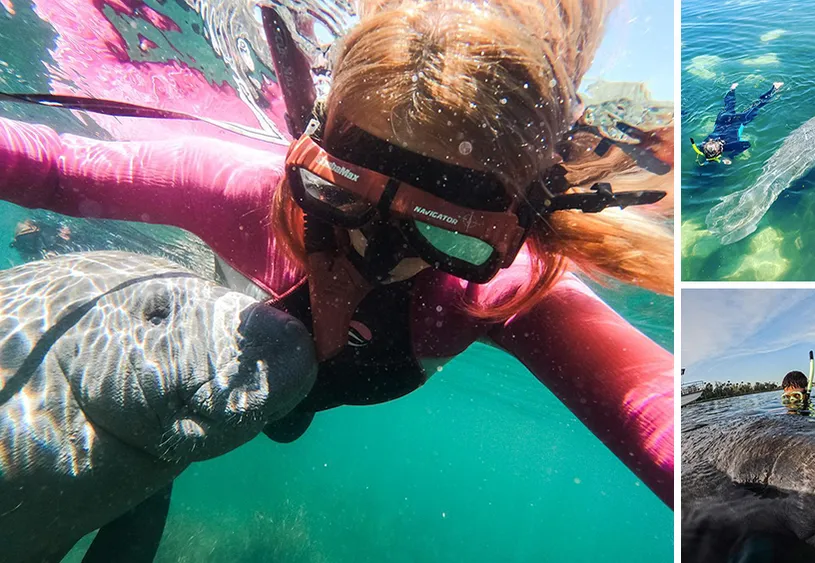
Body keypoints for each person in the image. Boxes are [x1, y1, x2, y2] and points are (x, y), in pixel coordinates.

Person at [0, 0, 674, 559]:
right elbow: (52, 165)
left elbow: (666, 418)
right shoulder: (249, 193)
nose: (370, 251)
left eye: (445, 230)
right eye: (340, 192)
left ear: (509, 230)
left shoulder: (502, 291)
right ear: (310, 149)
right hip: (217, 376)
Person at [689, 81, 783, 165]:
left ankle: (775, 88)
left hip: (739, 121)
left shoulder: (729, 146)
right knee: (728, 106)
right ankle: (732, 89)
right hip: (722, 119)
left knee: (757, 106)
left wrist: (730, 156)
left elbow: (747, 144)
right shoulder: (704, 143)